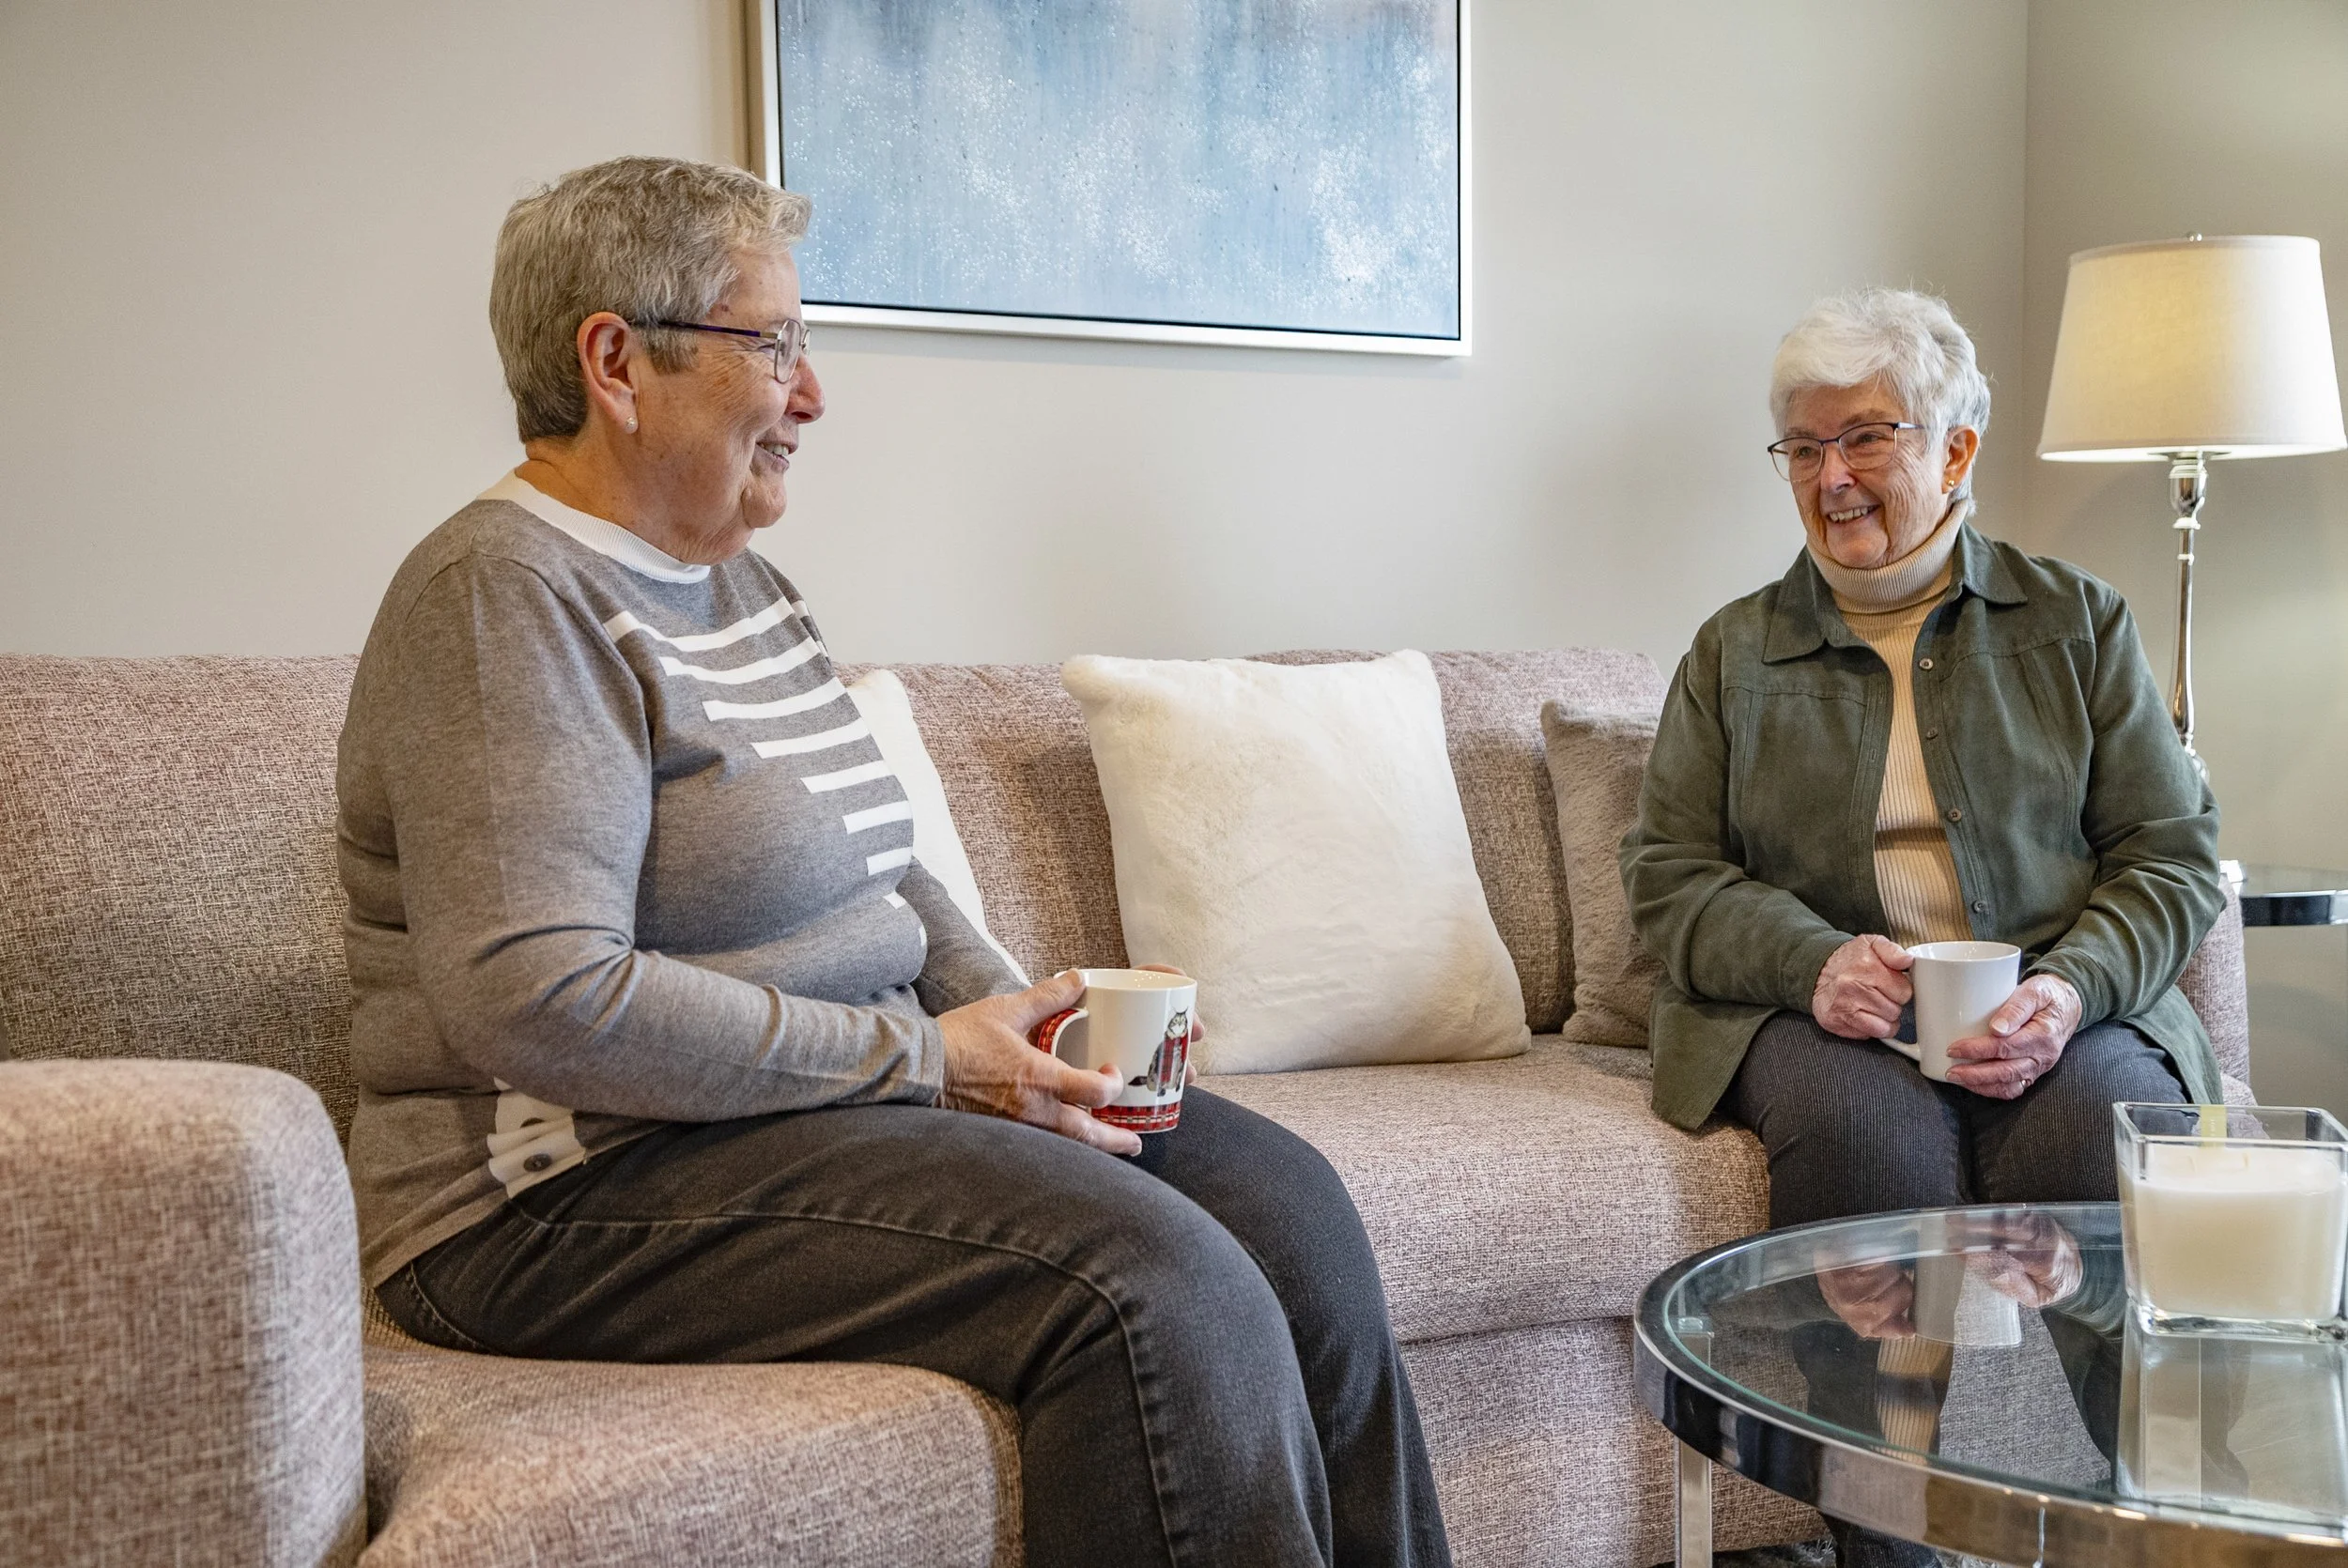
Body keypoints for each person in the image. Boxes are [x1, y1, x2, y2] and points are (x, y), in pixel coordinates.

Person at [340, 155, 1449, 1568]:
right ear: (617, 362)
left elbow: (885, 877)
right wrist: (929, 1061)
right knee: (1152, 1283)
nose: (811, 393)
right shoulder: (502, 597)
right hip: (562, 1195)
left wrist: (1033, 1033)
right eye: (776, 346)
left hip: (790, 1122)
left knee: (1288, 1207)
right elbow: (542, 1001)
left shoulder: (744, 584)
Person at [1620, 287, 2222, 1565]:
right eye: (1803, 446)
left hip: (2053, 1003)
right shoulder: (1732, 655)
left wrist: (2066, 994)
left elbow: (2172, 861)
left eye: (1865, 438)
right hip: (1819, 1017)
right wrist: (1811, 959)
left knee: (2095, 1121)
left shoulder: (2079, 625)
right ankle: (1884, 1553)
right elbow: (1668, 877)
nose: (1830, 478)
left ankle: (2083, 1529)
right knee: (1865, 1135)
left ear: (1955, 450)